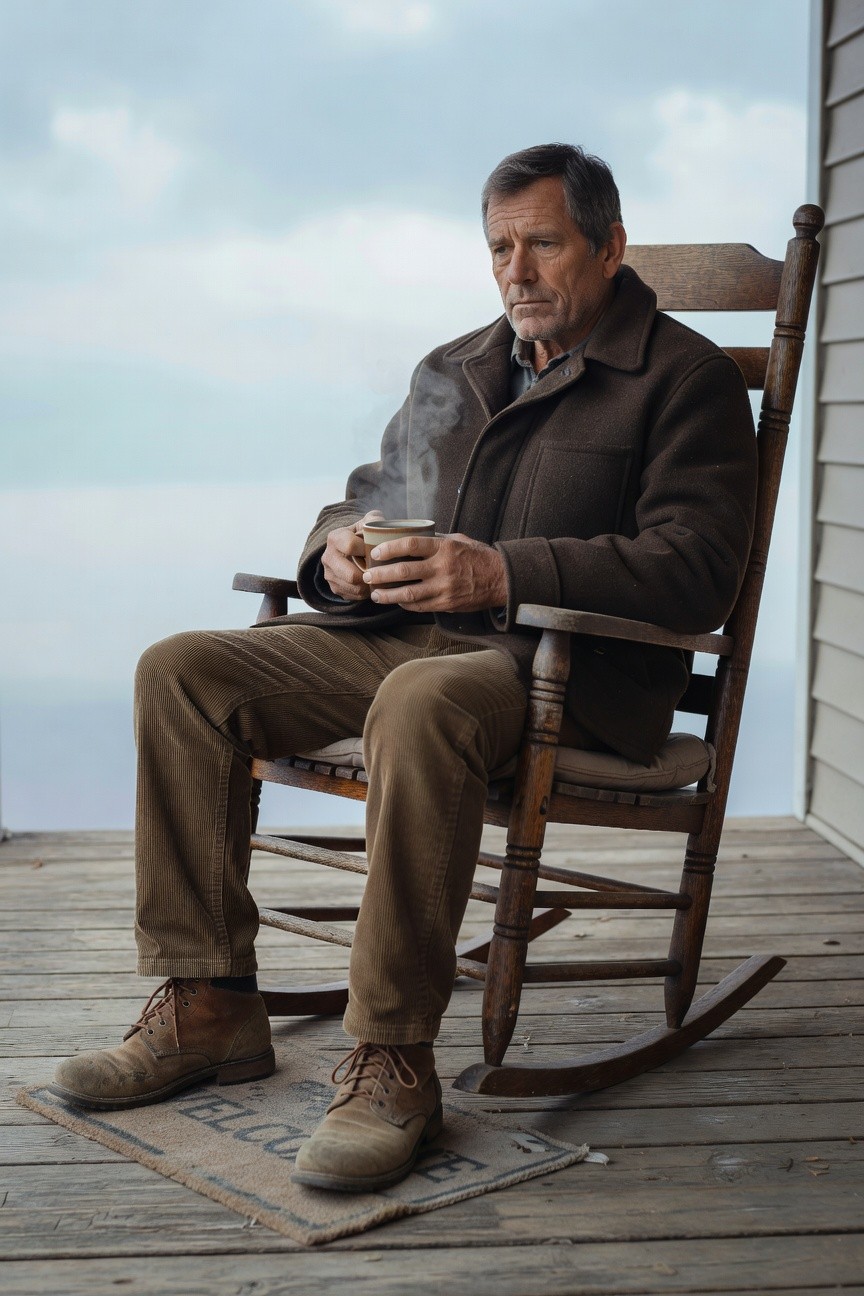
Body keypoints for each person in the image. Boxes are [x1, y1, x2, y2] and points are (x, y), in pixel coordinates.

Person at [50, 144, 757, 1192]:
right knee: (182, 669)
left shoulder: (684, 379)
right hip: (393, 635)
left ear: (610, 246)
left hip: (556, 669)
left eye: (544, 244)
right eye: (499, 248)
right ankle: (208, 1002)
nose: (516, 271)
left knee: (421, 698)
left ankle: (391, 1059)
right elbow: (369, 493)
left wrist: (499, 572)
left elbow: (696, 570)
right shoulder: (455, 367)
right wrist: (333, 549)